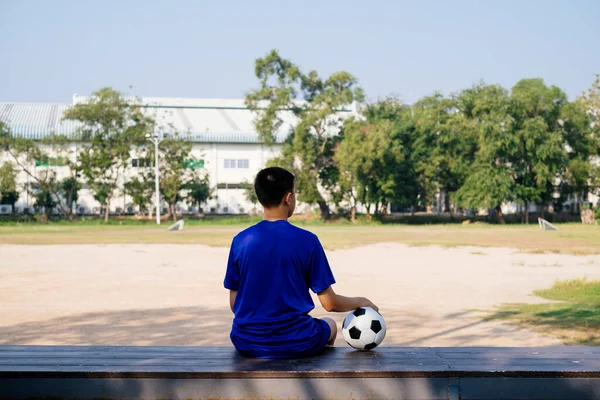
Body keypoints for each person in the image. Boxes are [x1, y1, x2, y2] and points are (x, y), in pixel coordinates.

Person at [224, 166, 379, 359]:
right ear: (288, 198)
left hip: (246, 341)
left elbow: (234, 303)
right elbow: (329, 304)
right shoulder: (308, 241)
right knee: (329, 324)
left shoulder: (240, 241)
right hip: (296, 341)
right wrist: (361, 301)